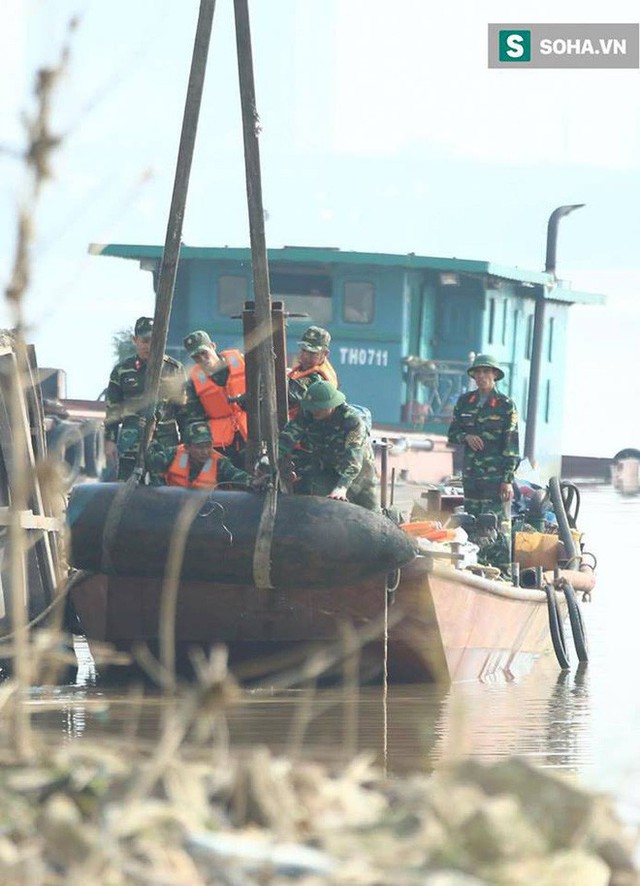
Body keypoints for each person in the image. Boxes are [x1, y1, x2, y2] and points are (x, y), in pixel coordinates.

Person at [447, 353, 520, 575]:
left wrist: (507, 479)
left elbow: (512, 445)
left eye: (486, 372)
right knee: (472, 520)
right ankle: (476, 566)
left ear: (495, 375)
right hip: (471, 474)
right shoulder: (464, 402)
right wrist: (466, 437)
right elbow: (453, 433)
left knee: (496, 523)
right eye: (478, 372)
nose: (481, 376)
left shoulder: (505, 405)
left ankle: (503, 571)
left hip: (496, 477)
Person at [104, 316, 187, 481]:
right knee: (126, 491)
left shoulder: (174, 370)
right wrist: (109, 440)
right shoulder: (122, 371)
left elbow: (184, 411)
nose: (150, 346)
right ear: (135, 340)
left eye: (155, 341)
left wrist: (186, 444)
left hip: (165, 443)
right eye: (145, 341)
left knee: (166, 492)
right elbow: (113, 409)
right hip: (131, 443)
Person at [278, 380, 377, 511]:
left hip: (357, 472)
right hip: (326, 467)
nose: (315, 412)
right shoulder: (309, 413)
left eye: (319, 408)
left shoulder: (352, 421)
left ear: (332, 405)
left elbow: (354, 460)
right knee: (322, 510)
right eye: (313, 408)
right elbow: (288, 437)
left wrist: (342, 488)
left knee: (371, 512)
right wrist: (268, 458)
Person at [182, 330, 248, 469]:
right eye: (196, 357)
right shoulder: (193, 383)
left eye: (204, 353)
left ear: (213, 346)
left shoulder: (244, 364)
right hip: (221, 446)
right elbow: (195, 419)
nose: (202, 359)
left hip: (251, 436)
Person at [146, 421, 263, 490]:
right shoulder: (173, 454)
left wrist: (252, 482)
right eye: (199, 447)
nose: (205, 451)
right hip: (173, 507)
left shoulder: (219, 462)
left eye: (208, 446)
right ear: (187, 447)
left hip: (206, 513)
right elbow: (150, 462)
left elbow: (234, 474)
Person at [287, 326, 338, 419]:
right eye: (303, 350)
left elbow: (294, 394)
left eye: (312, 353)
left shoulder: (319, 378)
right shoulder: (306, 367)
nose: (306, 356)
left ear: (325, 354)